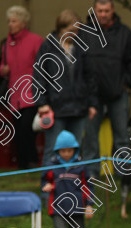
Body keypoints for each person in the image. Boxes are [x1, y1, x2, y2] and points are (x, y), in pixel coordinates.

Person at [81, 0, 131, 180]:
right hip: (92, 96)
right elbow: (78, 62)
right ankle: (91, 175)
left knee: (122, 136)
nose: (103, 14)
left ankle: (123, 176)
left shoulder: (125, 33)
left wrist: (126, 84)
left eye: (107, 11)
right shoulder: (84, 33)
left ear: (113, 10)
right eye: (100, 11)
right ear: (94, 11)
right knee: (90, 137)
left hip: (118, 94)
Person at [35, 9, 98, 163]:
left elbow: (90, 77)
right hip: (56, 109)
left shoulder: (81, 48)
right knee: (52, 149)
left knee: (75, 151)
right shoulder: (47, 47)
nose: (75, 34)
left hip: (79, 108)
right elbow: (39, 77)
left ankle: (73, 184)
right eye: (72, 30)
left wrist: (92, 103)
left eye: (77, 31)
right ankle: (48, 184)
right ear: (61, 28)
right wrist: (42, 103)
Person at [41, 131, 94, 228]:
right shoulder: (52, 166)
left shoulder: (81, 166)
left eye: (69, 150)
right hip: (58, 209)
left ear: (74, 150)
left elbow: (88, 187)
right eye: (63, 151)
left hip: (77, 209)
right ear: (58, 151)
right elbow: (45, 181)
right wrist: (46, 186)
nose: (66, 154)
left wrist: (89, 205)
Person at [0, 5, 43, 170]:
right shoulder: (7, 44)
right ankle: (23, 164)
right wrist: (2, 69)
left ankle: (32, 160)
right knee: (17, 130)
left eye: (14, 21)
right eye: (9, 21)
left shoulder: (36, 40)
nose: (10, 24)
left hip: (31, 92)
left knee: (27, 127)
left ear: (23, 23)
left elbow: (43, 65)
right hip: (14, 93)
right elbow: (2, 65)